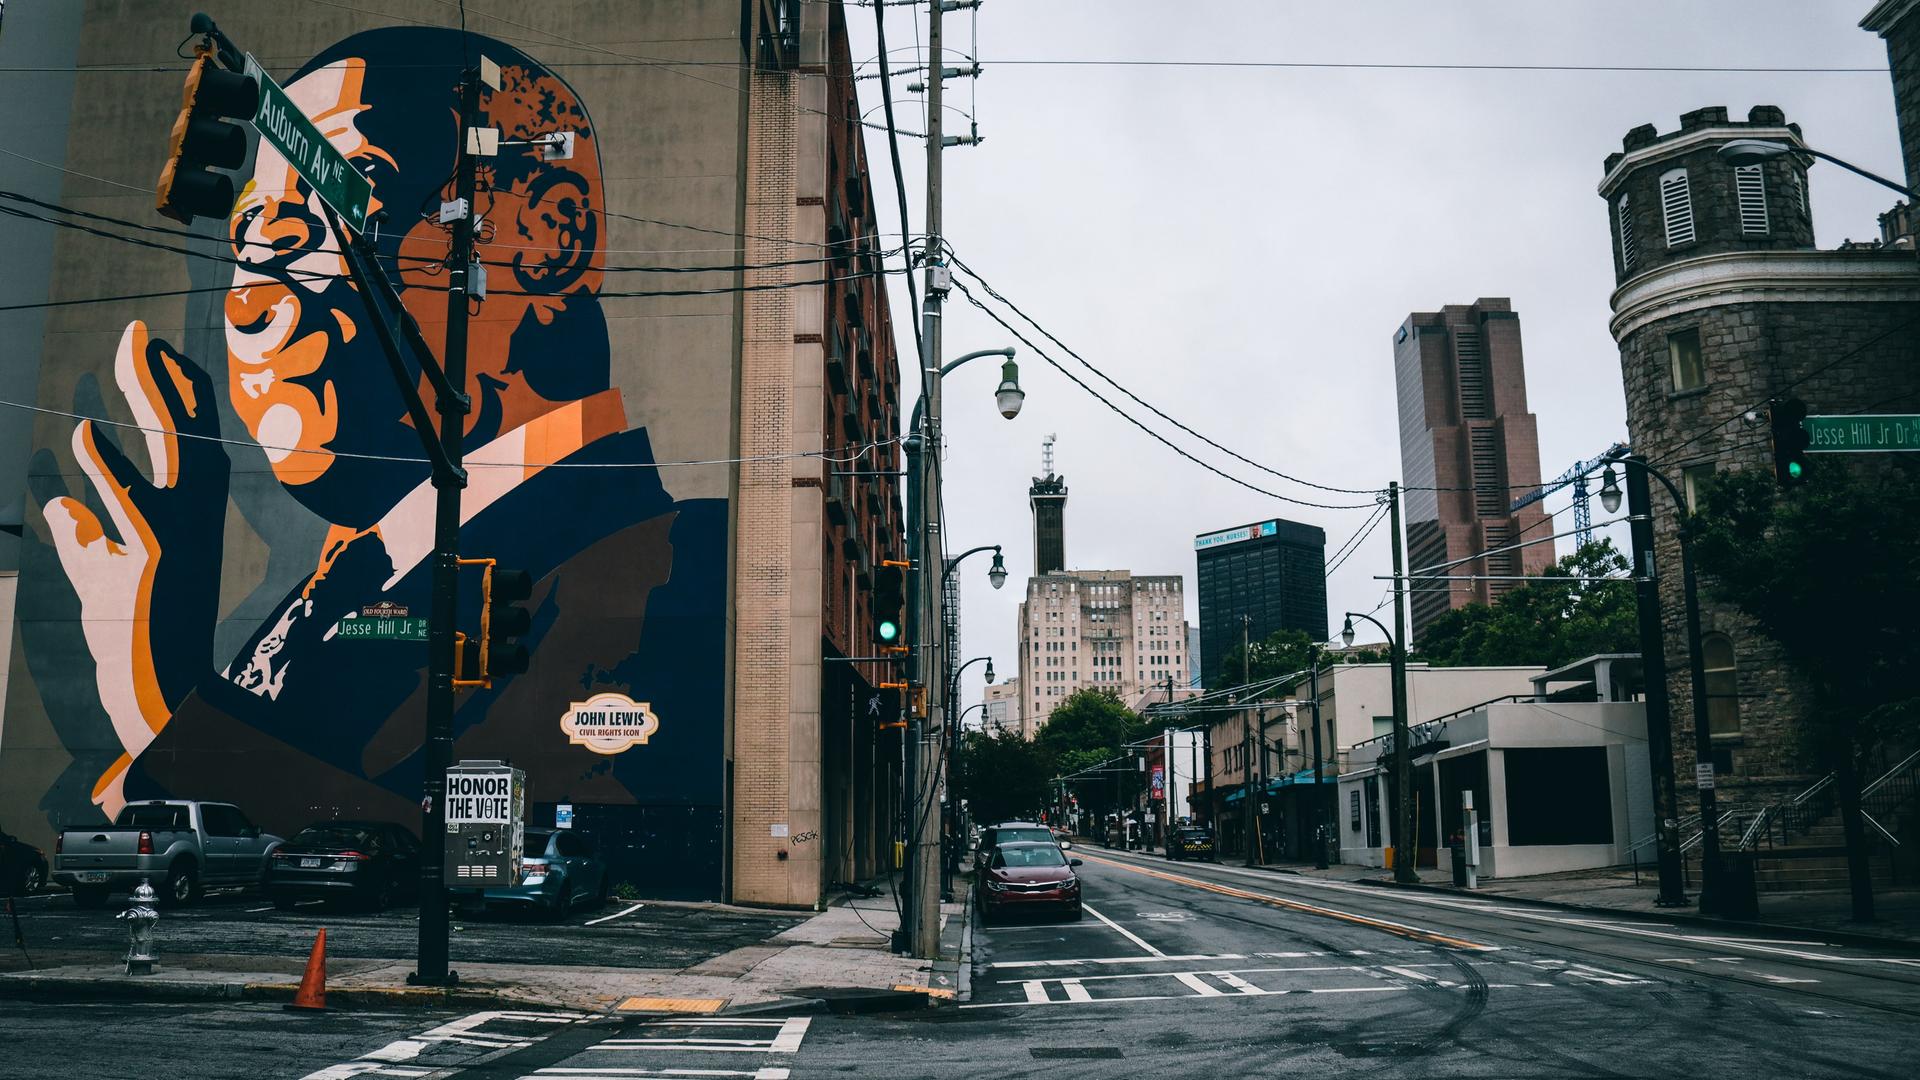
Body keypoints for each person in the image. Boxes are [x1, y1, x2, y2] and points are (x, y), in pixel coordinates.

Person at [30, 28, 725, 832]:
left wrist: (157, 686)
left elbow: (436, 836)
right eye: (250, 240)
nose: (254, 300)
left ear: (548, 241)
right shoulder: (356, 569)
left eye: (325, 218)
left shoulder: (678, 563)